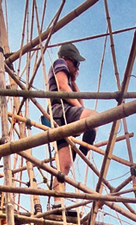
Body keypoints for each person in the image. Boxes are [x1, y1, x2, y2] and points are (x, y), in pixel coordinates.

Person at [46, 42, 98, 206]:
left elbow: (78, 99)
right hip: (61, 111)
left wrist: (73, 82)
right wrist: (83, 115)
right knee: (94, 117)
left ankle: (57, 202)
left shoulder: (68, 77)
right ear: (67, 59)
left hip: (58, 118)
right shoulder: (59, 63)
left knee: (65, 166)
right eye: (76, 63)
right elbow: (62, 88)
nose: (78, 68)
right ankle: (83, 149)